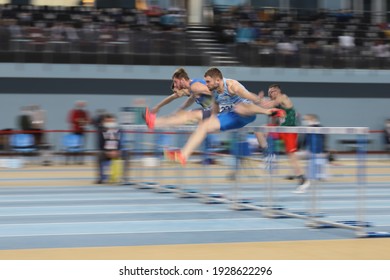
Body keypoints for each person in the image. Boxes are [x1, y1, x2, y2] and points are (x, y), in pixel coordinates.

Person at [165, 67, 279, 165]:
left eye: (208, 81)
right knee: (204, 125)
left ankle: (268, 112)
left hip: (247, 113)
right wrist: (211, 122)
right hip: (231, 116)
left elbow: (250, 97)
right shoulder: (213, 91)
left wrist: (261, 102)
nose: (206, 84)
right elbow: (216, 109)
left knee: (240, 107)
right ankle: (183, 155)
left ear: (218, 80)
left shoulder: (232, 86)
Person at [242, 84, 310, 193]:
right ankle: (268, 156)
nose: (271, 93)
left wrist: (258, 100)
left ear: (278, 91)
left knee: (291, 157)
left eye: (273, 91)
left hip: (290, 130)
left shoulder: (283, 97)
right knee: (259, 130)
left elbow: (268, 104)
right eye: (270, 92)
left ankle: (303, 180)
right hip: (280, 129)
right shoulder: (274, 107)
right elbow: (273, 121)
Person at [144, 67, 213, 130]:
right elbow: (174, 98)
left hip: (218, 110)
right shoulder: (190, 90)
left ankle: (153, 122)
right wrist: (157, 107)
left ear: (182, 80)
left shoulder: (195, 86)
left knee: (186, 117)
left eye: (175, 82)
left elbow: (215, 92)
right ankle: (153, 122)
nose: (175, 85)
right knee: (182, 116)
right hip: (212, 110)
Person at [96, 114, 129, 184]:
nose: (110, 123)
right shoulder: (101, 130)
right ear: (104, 122)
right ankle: (101, 178)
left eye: (111, 121)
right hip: (106, 152)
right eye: (108, 121)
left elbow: (121, 142)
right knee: (99, 154)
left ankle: (124, 177)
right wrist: (107, 151)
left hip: (117, 151)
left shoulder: (119, 130)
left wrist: (117, 150)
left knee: (127, 153)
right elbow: (100, 144)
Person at [302, 114, 328, 182]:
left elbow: (324, 139)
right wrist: (302, 148)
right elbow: (305, 140)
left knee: (320, 162)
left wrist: (324, 150)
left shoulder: (320, 128)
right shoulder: (307, 129)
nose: (305, 121)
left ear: (313, 119)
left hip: (319, 151)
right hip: (310, 151)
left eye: (306, 119)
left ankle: (321, 176)